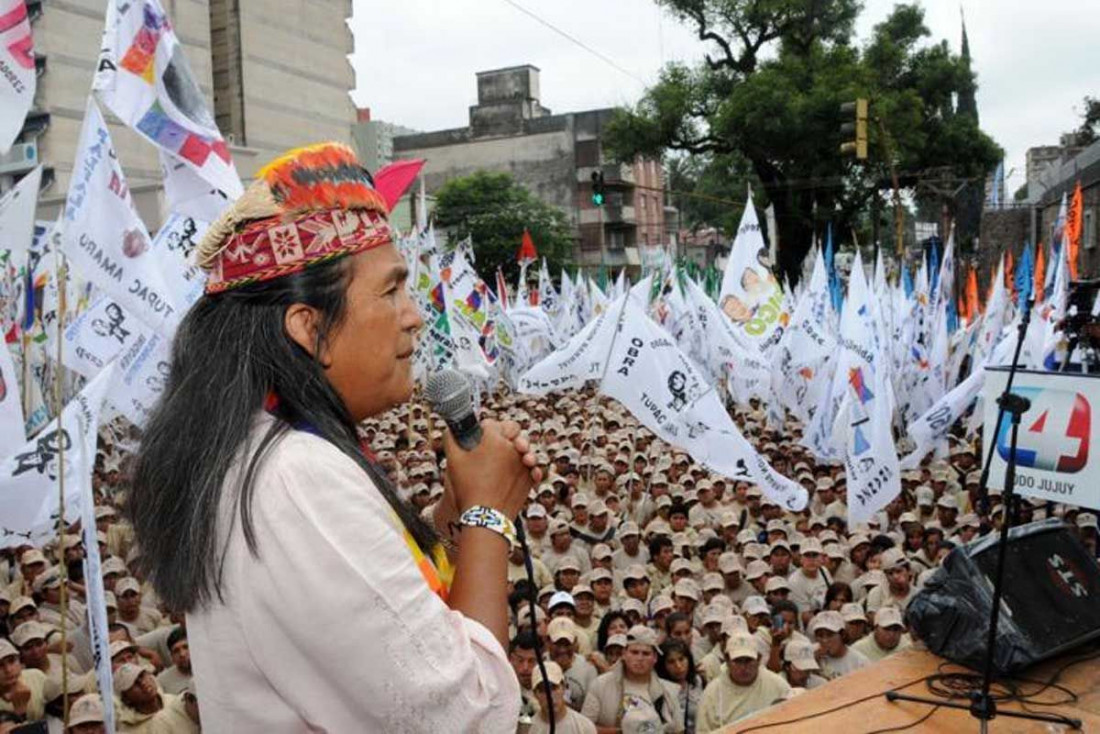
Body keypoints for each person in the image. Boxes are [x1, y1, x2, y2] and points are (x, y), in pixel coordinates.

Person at [126, 143, 540, 731]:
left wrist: (452, 512)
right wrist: (488, 518)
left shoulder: (269, 455)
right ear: (309, 328)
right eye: (392, 290)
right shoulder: (296, 478)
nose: (415, 316)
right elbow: (468, 716)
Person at [581, 625, 683, 733]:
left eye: (646, 654)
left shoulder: (668, 691)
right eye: (634, 652)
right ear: (624, 654)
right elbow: (584, 728)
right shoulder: (601, 685)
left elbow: (678, 730)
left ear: (655, 658)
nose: (639, 658)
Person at [696, 633, 789, 732]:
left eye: (748, 660)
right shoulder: (712, 694)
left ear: (759, 659)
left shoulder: (778, 686)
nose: (743, 667)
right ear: (727, 660)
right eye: (738, 661)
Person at [530, 661, 597, 734]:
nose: (550, 696)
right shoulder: (529, 729)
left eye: (554, 688)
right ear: (535, 694)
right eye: (543, 690)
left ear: (564, 687)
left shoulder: (584, 727)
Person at [657, 639, 703, 734]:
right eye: (671, 662)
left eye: (681, 659)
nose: (678, 666)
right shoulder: (659, 690)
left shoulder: (697, 681)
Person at [810, 611, 870, 681]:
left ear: (842, 635)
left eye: (830, 635)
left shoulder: (859, 662)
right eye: (820, 635)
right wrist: (813, 663)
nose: (824, 640)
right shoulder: (811, 653)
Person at [156, 627, 192, 696]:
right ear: (172, 657)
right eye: (176, 651)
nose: (182, 654)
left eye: (185, 647)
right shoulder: (162, 681)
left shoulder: (209, 668)